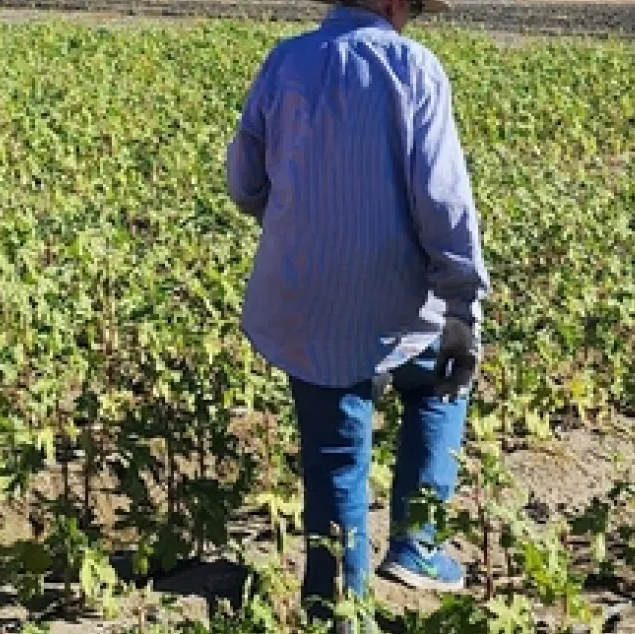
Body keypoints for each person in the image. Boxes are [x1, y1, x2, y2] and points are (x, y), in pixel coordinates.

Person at [223, 0, 490, 628]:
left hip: (303, 296)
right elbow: (444, 201)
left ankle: (336, 608)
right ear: (396, 2)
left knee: (336, 454)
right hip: (399, 302)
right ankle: (418, 546)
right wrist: (462, 310)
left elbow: (244, 185)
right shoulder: (414, 69)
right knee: (441, 385)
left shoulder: (284, 62)